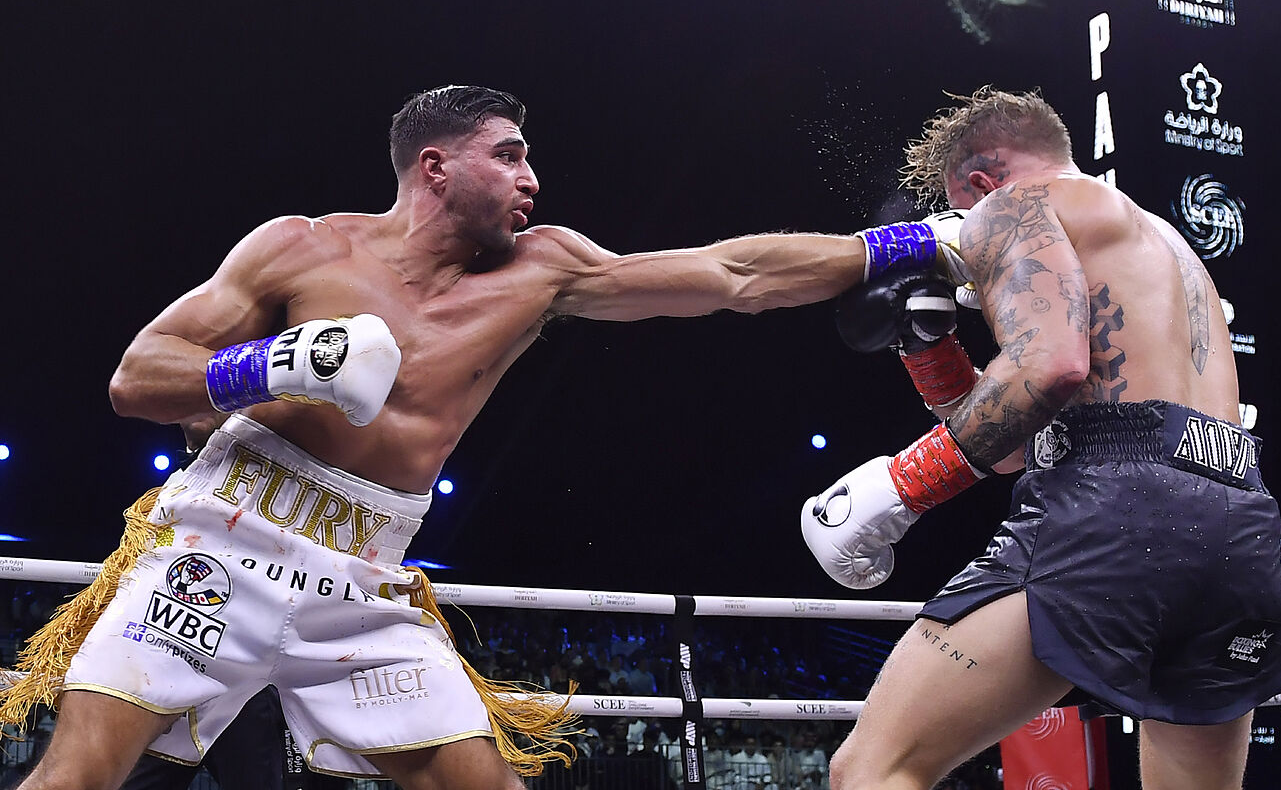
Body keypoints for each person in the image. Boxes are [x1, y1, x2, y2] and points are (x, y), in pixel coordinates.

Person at [1, 85, 963, 790]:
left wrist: (923, 244)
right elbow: (138, 376)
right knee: (82, 770)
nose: (532, 178)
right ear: (437, 167)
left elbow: (731, 274)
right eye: (509, 155)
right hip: (219, 543)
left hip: (362, 581)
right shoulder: (302, 246)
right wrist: (274, 366)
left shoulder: (544, 271)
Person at [801, 86, 1281, 790]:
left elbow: (1052, 367)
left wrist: (906, 483)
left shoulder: (1013, 208)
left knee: (872, 770)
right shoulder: (1169, 245)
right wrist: (928, 346)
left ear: (981, 182)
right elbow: (1008, 443)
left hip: (1118, 502)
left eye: (964, 214)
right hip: (1236, 520)